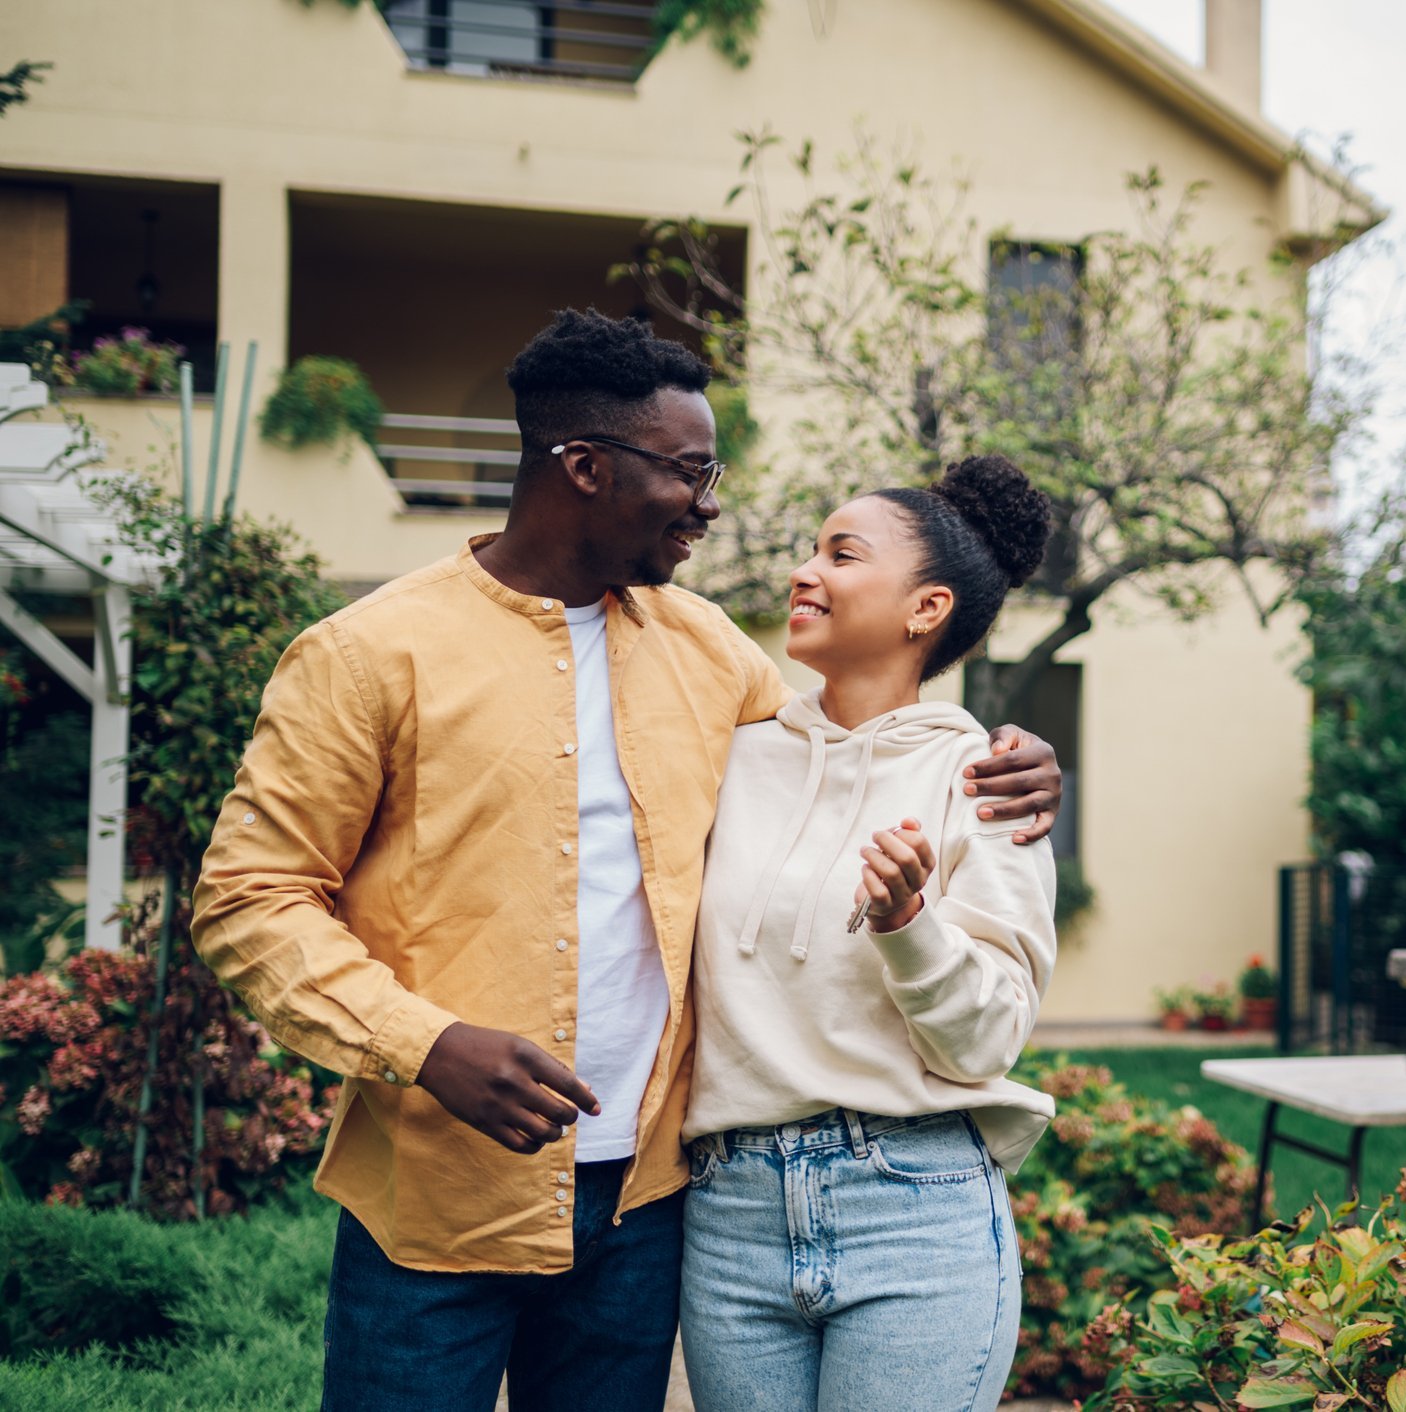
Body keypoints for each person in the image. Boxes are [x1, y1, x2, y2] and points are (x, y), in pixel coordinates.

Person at [189, 309, 1060, 1412]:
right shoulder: (366, 654)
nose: (709, 502)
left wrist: (1012, 759)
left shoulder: (713, 655)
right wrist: (426, 1044)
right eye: (688, 471)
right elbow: (249, 901)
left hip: (648, 1212)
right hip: (436, 1197)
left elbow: (853, 742)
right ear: (586, 466)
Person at [677, 455, 1059, 1412]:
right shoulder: (730, 755)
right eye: (811, 550)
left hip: (912, 1209)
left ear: (925, 609)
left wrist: (908, 926)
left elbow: (989, 1040)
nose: (804, 572)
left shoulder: (987, 783)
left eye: (841, 555)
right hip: (730, 1215)